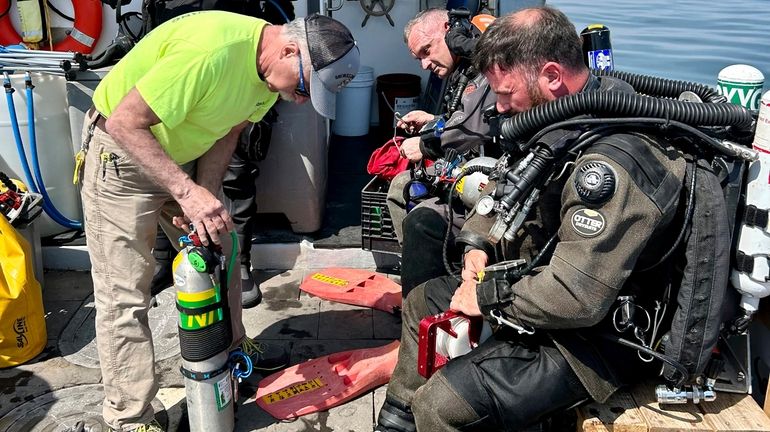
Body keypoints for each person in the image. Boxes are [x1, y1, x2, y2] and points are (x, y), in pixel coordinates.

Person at [376, 7, 695, 431]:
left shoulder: (610, 166)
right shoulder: (554, 124)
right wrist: (475, 246)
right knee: (422, 303)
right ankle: (395, 423)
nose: (501, 108)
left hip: (596, 339)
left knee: (442, 405)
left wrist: (485, 297)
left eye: (505, 94)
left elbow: (576, 296)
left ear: (551, 76)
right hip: (531, 290)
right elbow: (501, 191)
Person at [79, 11, 359, 432]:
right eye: (304, 87)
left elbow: (227, 133)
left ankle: (230, 352)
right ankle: (130, 416)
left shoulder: (269, 79)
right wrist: (188, 192)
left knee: (221, 250)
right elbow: (124, 122)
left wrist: (203, 195)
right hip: (121, 160)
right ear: (288, 49)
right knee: (125, 293)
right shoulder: (212, 52)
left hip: (178, 158)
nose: (302, 99)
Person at [383, 8, 497, 296]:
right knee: (400, 187)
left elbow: (473, 130)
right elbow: (463, 119)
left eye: (426, 50)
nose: (424, 64)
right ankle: (418, 270)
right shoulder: (465, 69)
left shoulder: (488, 67)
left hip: (490, 178)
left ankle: (432, 290)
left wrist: (422, 145)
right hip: (466, 164)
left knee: (419, 214)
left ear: (450, 31)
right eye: (418, 57)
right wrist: (430, 121)